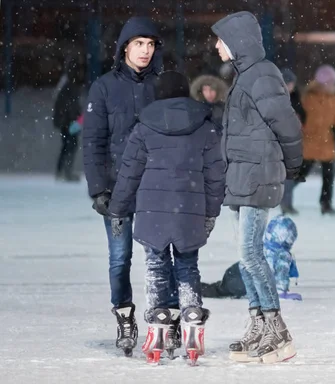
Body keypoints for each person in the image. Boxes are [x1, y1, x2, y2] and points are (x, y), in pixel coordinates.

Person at [108, 71, 226, 364]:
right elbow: (215, 176)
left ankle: (159, 319)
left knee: (156, 266)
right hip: (190, 211)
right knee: (187, 266)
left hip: (152, 212)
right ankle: (192, 316)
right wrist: (211, 212)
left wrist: (118, 209)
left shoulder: (144, 127)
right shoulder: (206, 127)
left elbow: (129, 173)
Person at [211, 11, 303, 364]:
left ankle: (277, 330)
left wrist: (292, 165)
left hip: (258, 176)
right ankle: (257, 324)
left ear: (236, 41)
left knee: (251, 254)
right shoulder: (245, 76)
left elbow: (287, 125)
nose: (216, 46)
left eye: (220, 39)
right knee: (245, 256)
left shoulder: (262, 75)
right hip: (242, 177)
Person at [82, 16, 175, 355]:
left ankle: (167, 318)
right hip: (118, 189)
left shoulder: (163, 84)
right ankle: (124, 316)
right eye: (139, 44)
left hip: (155, 187)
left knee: (160, 255)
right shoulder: (104, 87)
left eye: (150, 45)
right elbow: (93, 141)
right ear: (124, 48)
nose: (145, 51)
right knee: (120, 258)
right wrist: (98, 189)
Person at [281, 64, 335, 215]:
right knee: (300, 174)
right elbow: (298, 115)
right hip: (309, 143)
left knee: (328, 177)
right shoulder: (308, 96)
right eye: (329, 82)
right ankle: (283, 196)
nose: (332, 85)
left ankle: (326, 204)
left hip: (326, 143)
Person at [53, 58, 83, 182]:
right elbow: (70, 105)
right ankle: (65, 172)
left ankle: (63, 171)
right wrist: (76, 119)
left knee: (68, 145)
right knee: (70, 145)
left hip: (67, 121)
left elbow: (68, 105)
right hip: (68, 122)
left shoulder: (67, 85)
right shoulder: (70, 86)